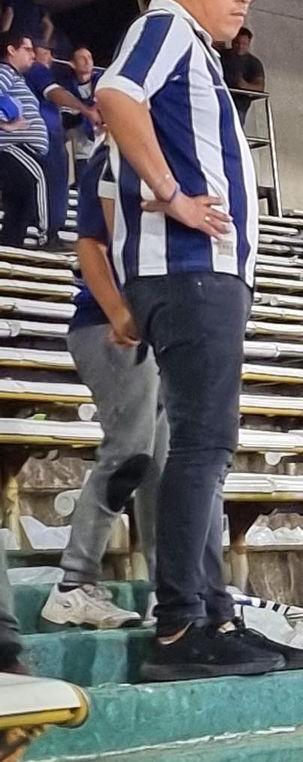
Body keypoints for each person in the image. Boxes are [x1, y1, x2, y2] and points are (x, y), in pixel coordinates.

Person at [96, 0, 294, 682]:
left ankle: (208, 610)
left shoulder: (197, 53)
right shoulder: (165, 26)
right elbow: (114, 96)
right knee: (203, 444)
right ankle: (181, 625)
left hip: (199, 272)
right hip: (190, 271)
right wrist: (173, 196)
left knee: (206, 445)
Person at [39, 141, 160, 631]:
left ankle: (172, 588)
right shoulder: (113, 161)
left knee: (162, 463)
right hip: (107, 324)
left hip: (152, 325)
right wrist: (118, 313)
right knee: (130, 453)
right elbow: (92, 243)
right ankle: (74, 582)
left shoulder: (152, 157)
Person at [26, 42, 98, 251]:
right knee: (54, 185)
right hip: (47, 136)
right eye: (44, 52)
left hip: (47, 136)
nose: (49, 56)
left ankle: (44, 232)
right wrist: (86, 110)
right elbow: (54, 93)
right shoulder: (37, 70)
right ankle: (48, 236)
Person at [0, 32, 49, 248]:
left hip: (18, 148)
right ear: (11, 50)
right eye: (27, 49)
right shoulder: (4, 71)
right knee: (35, 179)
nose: (33, 55)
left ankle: (11, 246)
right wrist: (6, 126)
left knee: (18, 200)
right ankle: (43, 234)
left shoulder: (16, 78)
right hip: (10, 146)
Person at [65, 46, 104, 184]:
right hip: (81, 149)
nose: (88, 61)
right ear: (72, 64)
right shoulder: (66, 89)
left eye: (90, 57)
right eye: (82, 58)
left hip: (104, 145)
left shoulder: (103, 82)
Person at [219, 27, 265, 128]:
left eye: (244, 44)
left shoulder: (254, 63)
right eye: (237, 43)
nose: (240, 47)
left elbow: (260, 87)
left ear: (249, 44)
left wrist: (244, 85)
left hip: (239, 105)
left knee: (233, 128)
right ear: (232, 41)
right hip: (218, 101)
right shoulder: (221, 55)